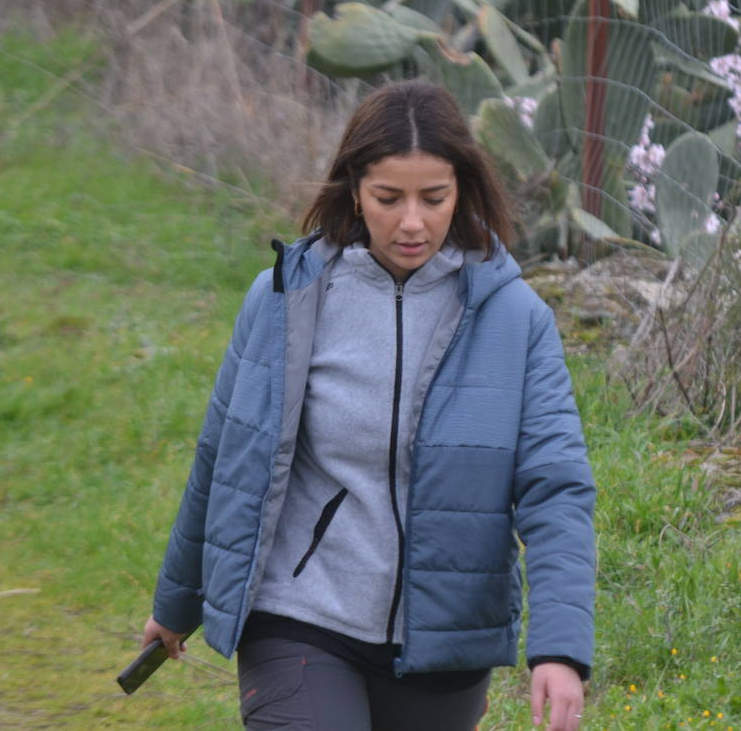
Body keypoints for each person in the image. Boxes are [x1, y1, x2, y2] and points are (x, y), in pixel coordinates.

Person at [140, 80, 596, 731]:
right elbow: (224, 455)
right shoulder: (283, 299)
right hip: (299, 618)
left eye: (433, 198)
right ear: (353, 189)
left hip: (444, 644)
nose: (412, 221)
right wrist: (177, 599)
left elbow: (557, 490)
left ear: (461, 190)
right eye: (389, 198)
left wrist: (559, 649)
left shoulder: (517, 320)